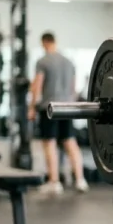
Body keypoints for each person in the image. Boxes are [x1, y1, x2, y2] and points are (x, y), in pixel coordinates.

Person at [28, 32, 89, 195]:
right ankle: (80, 180)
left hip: (49, 107)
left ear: (45, 43)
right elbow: (73, 88)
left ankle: (54, 182)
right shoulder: (69, 62)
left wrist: (32, 107)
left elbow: (37, 86)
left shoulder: (43, 61)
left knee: (49, 143)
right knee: (70, 142)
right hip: (67, 106)